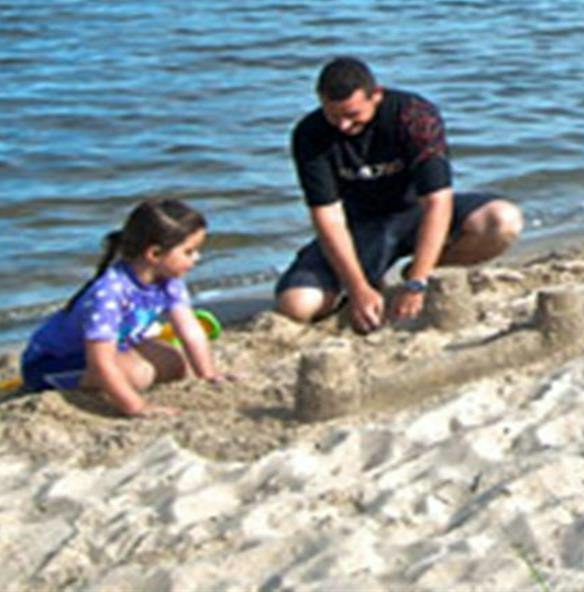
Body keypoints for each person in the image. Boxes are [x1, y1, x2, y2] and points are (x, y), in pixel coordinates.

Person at [274, 56, 522, 332]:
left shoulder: (414, 115)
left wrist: (417, 280)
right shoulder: (310, 134)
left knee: (502, 220)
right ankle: (368, 282)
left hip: (414, 212)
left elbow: (437, 201)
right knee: (296, 306)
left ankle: (424, 269)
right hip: (362, 227)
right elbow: (328, 217)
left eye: (353, 115)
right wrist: (358, 289)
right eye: (334, 116)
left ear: (376, 95)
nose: (343, 125)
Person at [19, 198, 224, 414]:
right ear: (154, 254)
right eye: (188, 251)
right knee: (134, 374)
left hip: (116, 347)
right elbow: (100, 362)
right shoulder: (110, 292)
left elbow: (190, 330)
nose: (197, 258)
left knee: (175, 363)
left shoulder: (169, 281)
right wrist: (138, 406)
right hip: (53, 362)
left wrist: (208, 375)